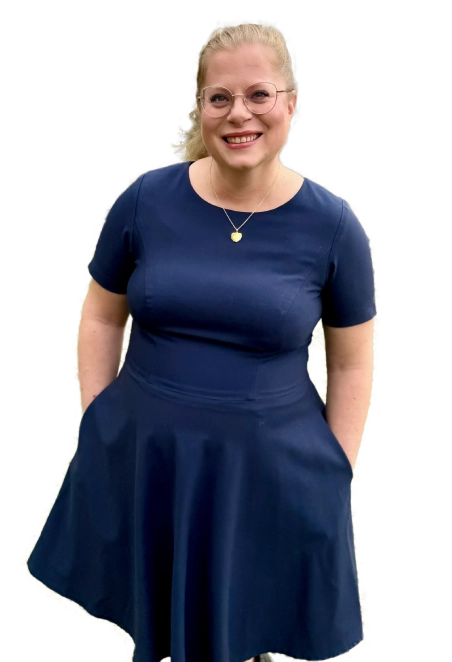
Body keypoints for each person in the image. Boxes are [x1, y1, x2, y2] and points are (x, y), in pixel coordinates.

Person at [26, 21, 376, 662]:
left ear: (292, 104)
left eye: (259, 94)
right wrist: (99, 417)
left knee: (239, 636)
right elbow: (100, 318)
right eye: (220, 97)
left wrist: (335, 465)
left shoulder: (333, 228)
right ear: (199, 108)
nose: (239, 114)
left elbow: (353, 364)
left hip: (266, 482)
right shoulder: (145, 201)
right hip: (148, 466)